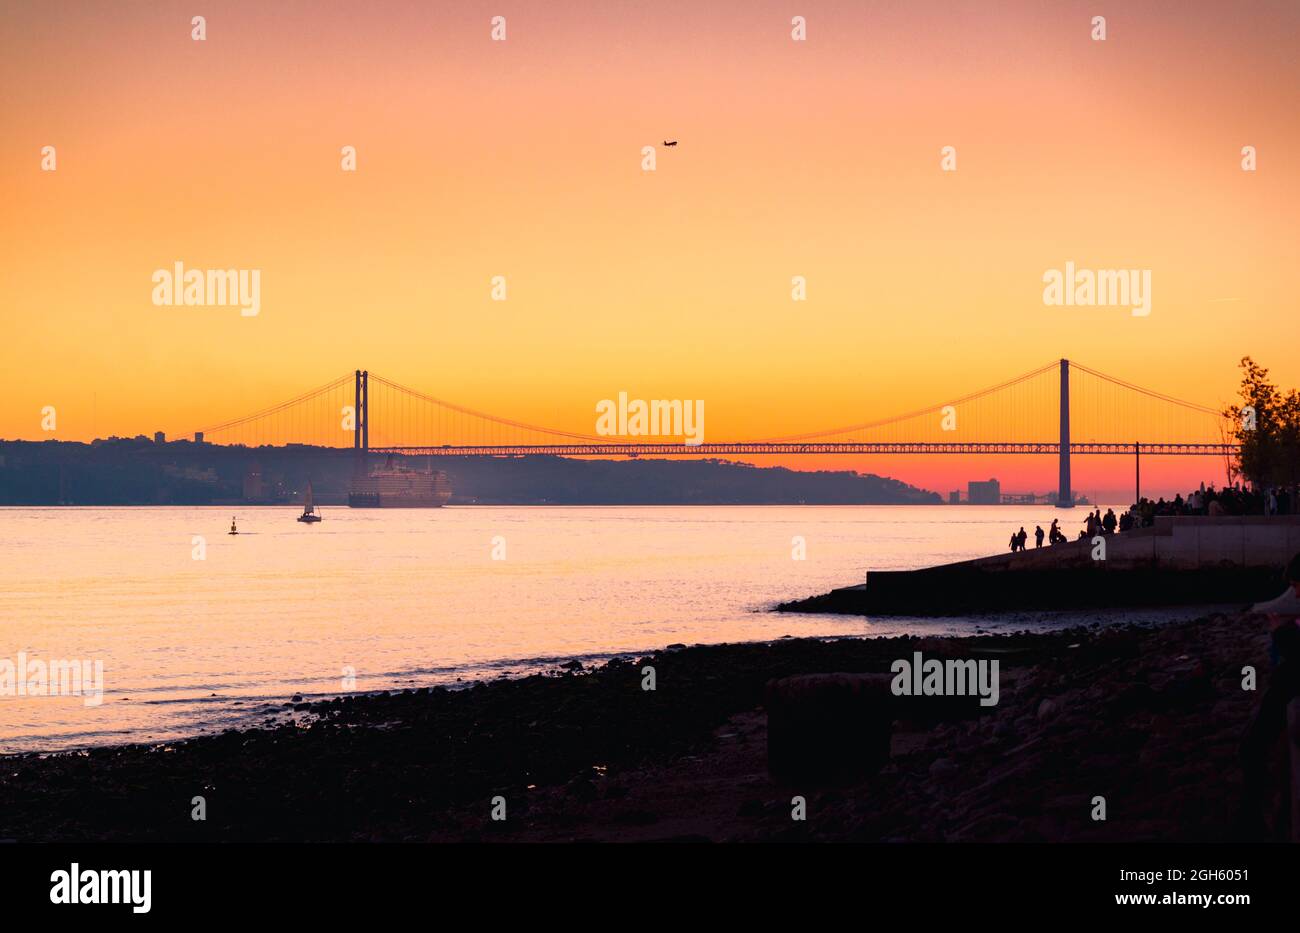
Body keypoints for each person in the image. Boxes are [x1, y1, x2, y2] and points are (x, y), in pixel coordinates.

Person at [1239, 553, 1300, 837]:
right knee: (1254, 746)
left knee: (1253, 746)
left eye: (1297, 586)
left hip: (1288, 689)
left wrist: (1279, 632)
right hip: (1285, 688)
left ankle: (1253, 820)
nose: (1296, 593)